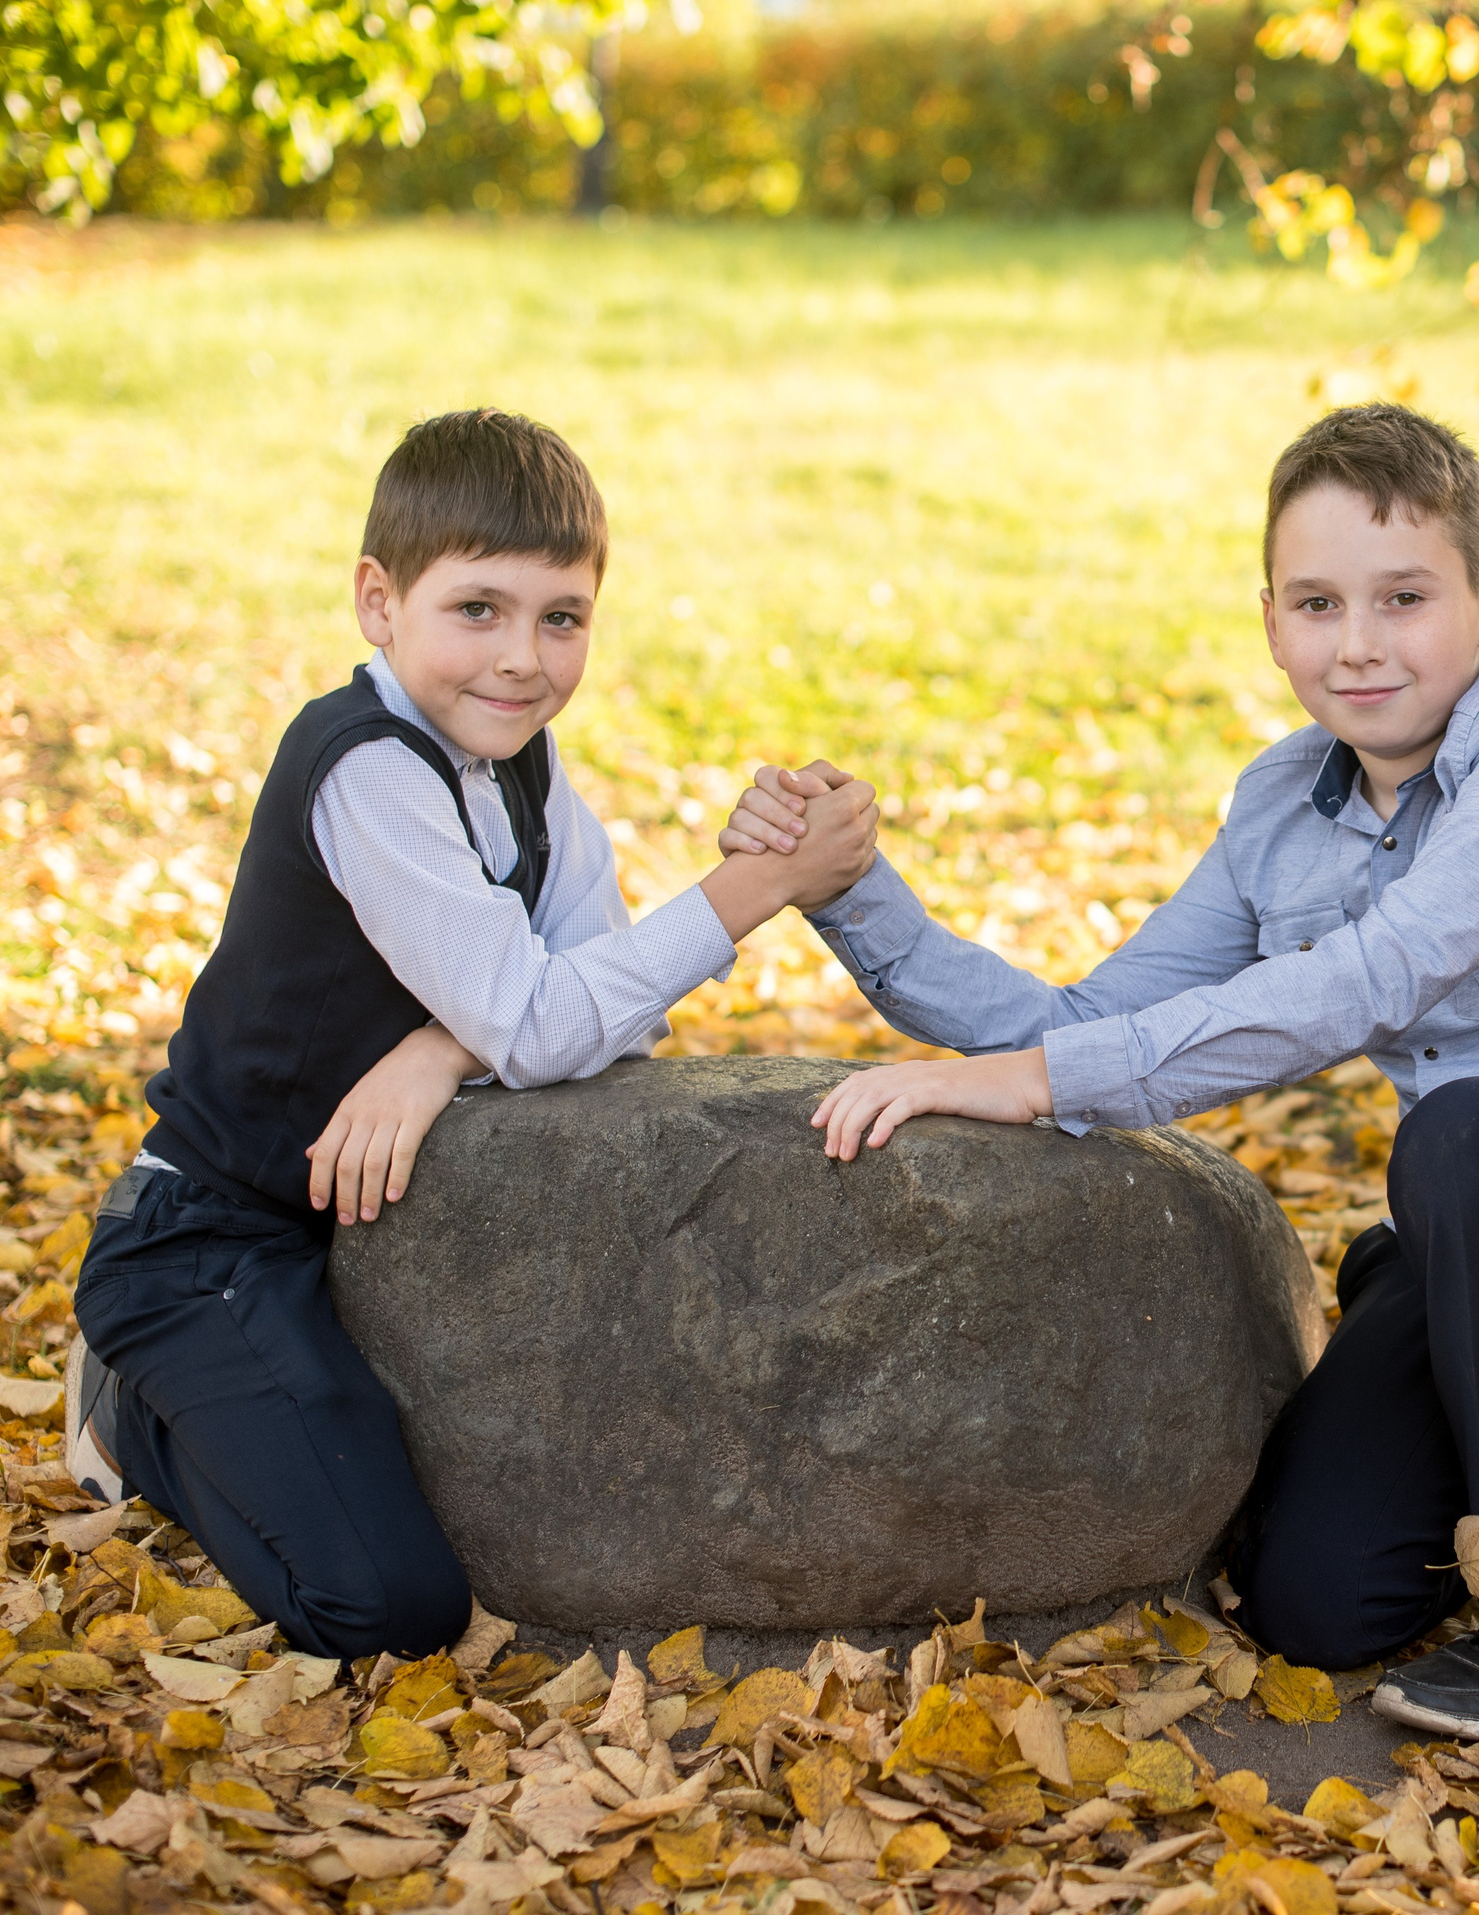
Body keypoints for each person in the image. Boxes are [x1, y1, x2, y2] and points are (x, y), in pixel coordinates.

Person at [718, 402, 1479, 1736]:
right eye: (1318, 602)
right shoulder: (1280, 808)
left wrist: (1037, 1079)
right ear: (1272, 623)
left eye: (1404, 597)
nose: (1358, 641)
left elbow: (1373, 976)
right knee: (1315, 1591)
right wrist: (851, 891)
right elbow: (1080, 1013)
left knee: (1470, 1138)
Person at [64, 409, 879, 1660]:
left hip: (372, 1233)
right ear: (378, 604)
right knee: (385, 1607)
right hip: (209, 1239)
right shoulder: (367, 770)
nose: (522, 659)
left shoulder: (527, 769)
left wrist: (443, 1046)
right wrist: (750, 887)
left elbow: (615, 1009)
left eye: (562, 618)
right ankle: (139, 1410)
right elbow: (548, 1015)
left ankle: (247, 1403)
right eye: (478, 610)